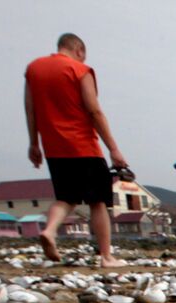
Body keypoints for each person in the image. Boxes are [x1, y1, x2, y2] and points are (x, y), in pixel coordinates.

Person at [25, 32, 128, 267]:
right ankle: (106, 256)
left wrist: (34, 143)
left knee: (65, 197)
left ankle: (50, 231)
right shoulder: (80, 70)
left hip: (53, 147)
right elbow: (94, 111)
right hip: (83, 145)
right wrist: (113, 148)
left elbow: (30, 109)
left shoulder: (33, 70)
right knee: (98, 202)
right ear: (79, 50)